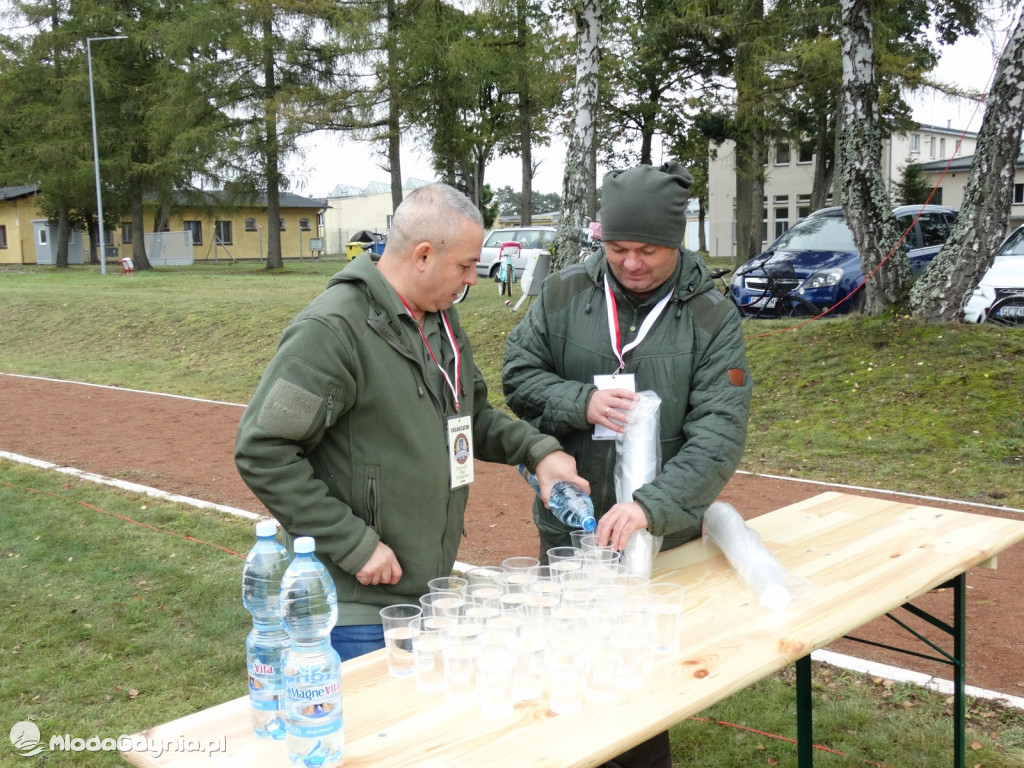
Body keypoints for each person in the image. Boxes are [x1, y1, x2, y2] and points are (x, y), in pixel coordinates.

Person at [235, 182, 587, 663]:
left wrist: (537, 451)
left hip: (425, 596)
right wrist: (354, 545)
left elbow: (471, 414)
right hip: (358, 610)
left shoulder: (439, 316)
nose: (472, 279)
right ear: (423, 255)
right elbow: (264, 451)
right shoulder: (332, 331)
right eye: (465, 265)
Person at [502, 161, 752, 768]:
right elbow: (517, 376)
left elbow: (718, 435)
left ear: (678, 242)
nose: (631, 263)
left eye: (648, 250)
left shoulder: (713, 319)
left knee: (640, 683)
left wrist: (650, 507)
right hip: (572, 529)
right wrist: (579, 402)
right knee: (571, 670)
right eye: (617, 248)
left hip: (659, 537)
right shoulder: (564, 294)